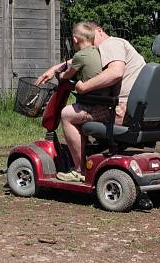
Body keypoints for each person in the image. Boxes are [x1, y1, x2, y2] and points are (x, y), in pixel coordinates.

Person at [37, 21, 146, 183]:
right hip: (137, 111)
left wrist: (84, 87)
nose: (88, 45)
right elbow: (84, 58)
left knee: (67, 113)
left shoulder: (111, 44)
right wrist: (56, 68)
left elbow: (115, 73)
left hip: (123, 112)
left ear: (100, 32)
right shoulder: (112, 47)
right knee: (86, 107)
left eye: (91, 39)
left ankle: (79, 170)